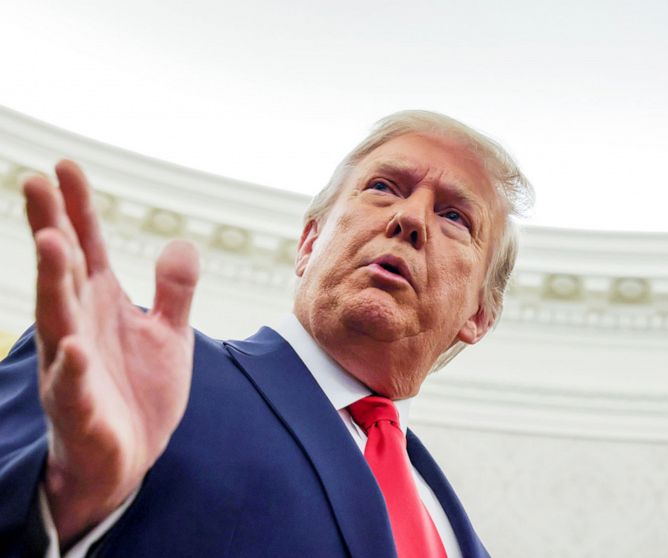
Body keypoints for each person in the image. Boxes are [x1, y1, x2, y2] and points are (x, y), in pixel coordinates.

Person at [0, 111, 533, 557]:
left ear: (479, 316)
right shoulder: (130, 371)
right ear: (308, 243)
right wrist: (64, 499)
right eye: (383, 187)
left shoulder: (462, 538)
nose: (410, 218)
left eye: (455, 216)